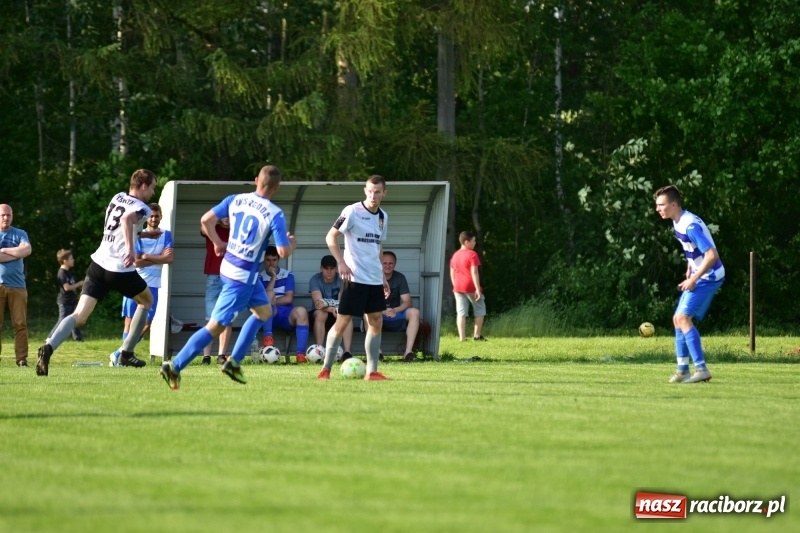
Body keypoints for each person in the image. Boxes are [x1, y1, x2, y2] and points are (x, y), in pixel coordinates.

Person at [159, 165, 295, 390]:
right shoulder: (274, 213)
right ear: (277, 187)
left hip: (231, 268)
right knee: (214, 327)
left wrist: (217, 243)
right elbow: (282, 252)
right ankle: (174, 367)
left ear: (255, 181)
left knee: (264, 311)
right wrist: (292, 244)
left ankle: (234, 362)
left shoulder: (236, 199)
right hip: (241, 278)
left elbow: (206, 220)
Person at [36, 169, 157, 376]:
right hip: (119, 268)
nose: (153, 193)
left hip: (98, 264)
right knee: (146, 301)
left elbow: (119, 225)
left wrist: (144, 233)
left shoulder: (118, 196)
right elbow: (127, 220)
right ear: (143, 186)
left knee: (79, 315)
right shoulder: (143, 208)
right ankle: (126, 354)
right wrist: (130, 249)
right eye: (153, 187)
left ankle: (48, 347)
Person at [317, 175, 390, 381]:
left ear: (384, 193)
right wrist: (340, 262)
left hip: (374, 279)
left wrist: (383, 276)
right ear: (364, 190)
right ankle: (325, 370)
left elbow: (378, 246)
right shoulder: (352, 211)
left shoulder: (383, 216)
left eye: (377, 192)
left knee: (376, 322)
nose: (373, 195)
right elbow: (330, 236)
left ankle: (372, 372)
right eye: (369, 191)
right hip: (354, 278)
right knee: (342, 323)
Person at [654, 185, 724, 384]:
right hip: (699, 273)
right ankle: (682, 370)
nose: (658, 209)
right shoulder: (678, 221)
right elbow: (693, 250)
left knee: (683, 318)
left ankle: (701, 369)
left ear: (674, 204)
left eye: (662, 205)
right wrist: (690, 267)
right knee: (678, 319)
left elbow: (711, 255)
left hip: (710, 276)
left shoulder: (690, 225)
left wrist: (693, 278)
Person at [110, 203, 173, 366]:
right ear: (147, 218)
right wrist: (157, 258)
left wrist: (146, 256)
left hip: (153, 284)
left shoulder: (166, 234)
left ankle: (119, 353)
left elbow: (169, 259)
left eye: (156, 215)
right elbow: (136, 262)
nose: (154, 218)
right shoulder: (139, 234)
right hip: (134, 281)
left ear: (161, 216)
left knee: (146, 324)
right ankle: (123, 358)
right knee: (129, 322)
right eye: (151, 215)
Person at [258, 246, 310, 362]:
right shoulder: (260, 276)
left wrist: (273, 301)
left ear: (278, 260)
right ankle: (268, 337)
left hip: (285, 314)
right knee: (270, 295)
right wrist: (273, 278)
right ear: (264, 261)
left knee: (301, 311)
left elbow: (289, 299)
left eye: (274, 260)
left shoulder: (288, 275)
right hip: (267, 315)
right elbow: (264, 300)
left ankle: (300, 355)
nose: (271, 263)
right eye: (268, 260)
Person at [0, 204, 32, 367]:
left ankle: (21, 359)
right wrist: (15, 252)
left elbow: (26, 250)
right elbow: (20, 252)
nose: (6, 218)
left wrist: (4, 250)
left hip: (18, 286)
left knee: (20, 324)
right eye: (3, 215)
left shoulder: (20, 233)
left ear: (12, 216)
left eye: (8, 215)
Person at [308, 254, 353, 360]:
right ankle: (319, 351)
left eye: (332, 268)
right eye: (326, 268)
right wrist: (332, 308)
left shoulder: (342, 279)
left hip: (337, 312)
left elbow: (345, 302)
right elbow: (318, 303)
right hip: (320, 313)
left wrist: (333, 306)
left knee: (346, 314)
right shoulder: (315, 279)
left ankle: (347, 353)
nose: (329, 271)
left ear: (336, 269)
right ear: (321, 269)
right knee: (321, 314)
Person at [201, 217, 233, 365]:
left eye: (229, 215)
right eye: (224, 215)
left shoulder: (237, 231)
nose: (227, 219)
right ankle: (206, 356)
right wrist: (217, 219)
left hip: (231, 277)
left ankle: (221, 355)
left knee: (227, 318)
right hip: (214, 277)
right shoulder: (212, 228)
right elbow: (203, 226)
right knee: (210, 317)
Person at [378, 250, 420, 362]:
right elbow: (366, 301)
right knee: (367, 313)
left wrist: (394, 310)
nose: (387, 266)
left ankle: (408, 352)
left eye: (390, 263)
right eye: (384, 263)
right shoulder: (373, 277)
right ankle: (377, 352)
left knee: (414, 312)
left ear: (395, 264)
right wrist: (382, 310)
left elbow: (407, 302)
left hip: (394, 313)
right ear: (379, 263)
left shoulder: (400, 277)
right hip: (378, 313)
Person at [449, 230, 487, 342]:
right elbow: (474, 272)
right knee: (480, 310)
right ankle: (476, 336)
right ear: (466, 242)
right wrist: (477, 289)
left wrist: (455, 285)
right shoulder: (472, 254)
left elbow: (452, 273)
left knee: (461, 313)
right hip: (470, 286)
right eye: (473, 241)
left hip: (457, 287)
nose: (475, 243)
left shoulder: (455, 255)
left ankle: (462, 338)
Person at [47, 249, 84, 343]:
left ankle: (78, 339)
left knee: (75, 319)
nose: (73, 260)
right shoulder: (62, 273)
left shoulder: (68, 272)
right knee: (62, 320)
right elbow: (67, 288)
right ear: (65, 261)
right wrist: (79, 284)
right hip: (65, 301)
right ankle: (50, 338)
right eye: (71, 258)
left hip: (71, 300)